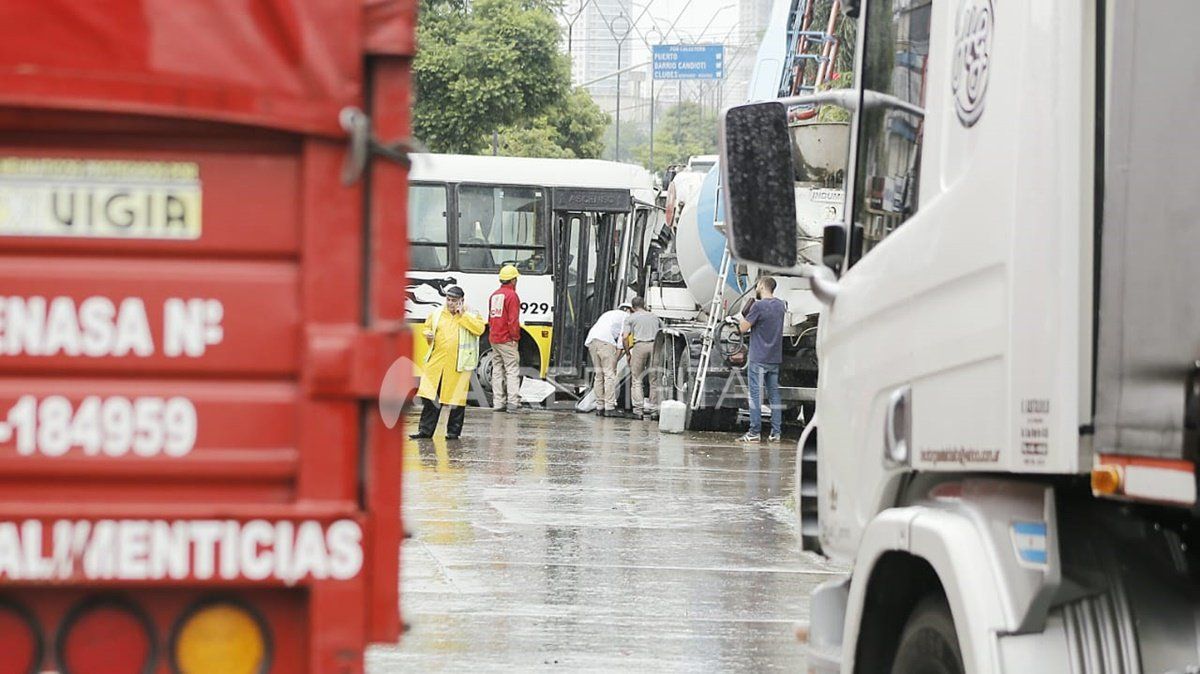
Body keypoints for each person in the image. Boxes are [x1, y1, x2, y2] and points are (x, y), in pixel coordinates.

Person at [410, 286, 486, 440]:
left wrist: (463, 315)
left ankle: (453, 432)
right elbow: (427, 327)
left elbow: (479, 329)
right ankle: (425, 431)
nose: (450, 303)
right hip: (437, 363)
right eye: (448, 300)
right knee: (432, 398)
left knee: (457, 400)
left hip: (458, 363)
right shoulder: (438, 313)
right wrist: (428, 334)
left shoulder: (471, 314)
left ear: (462, 301)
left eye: (454, 301)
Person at [737, 277, 787, 442]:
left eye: (757, 286)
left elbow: (743, 329)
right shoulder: (780, 306)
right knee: (774, 395)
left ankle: (754, 433)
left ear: (762, 286)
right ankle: (776, 433)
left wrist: (739, 320)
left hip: (758, 358)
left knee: (756, 396)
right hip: (774, 358)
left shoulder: (758, 306)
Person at [585, 301, 633, 417]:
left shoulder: (608, 314)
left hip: (591, 341)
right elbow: (623, 338)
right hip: (605, 342)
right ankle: (609, 407)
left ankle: (599, 406)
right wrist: (624, 354)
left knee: (599, 375)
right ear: (628, 310)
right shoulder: (626, 317)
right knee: (609, 375)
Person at [488, 265, 523, 413]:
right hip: (507, 339)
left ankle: (498, 402)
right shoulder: (512, 296)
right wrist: (515, 337)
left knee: (497, 370)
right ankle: (513, 402)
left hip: (494, 338)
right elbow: (513, 320)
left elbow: (490, 318)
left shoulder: (494, 295)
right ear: (513, 280)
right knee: (512, 369)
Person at [622, 296, 661, 420]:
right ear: (644, 305)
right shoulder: (655, 317)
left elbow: (624, 337)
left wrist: (628, 354)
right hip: (655, 346)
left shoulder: (630, 318)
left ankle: (638, 410)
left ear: (633, 308)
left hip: (640, 346)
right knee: (654, 380)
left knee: (637, 379)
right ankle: (654, 410)